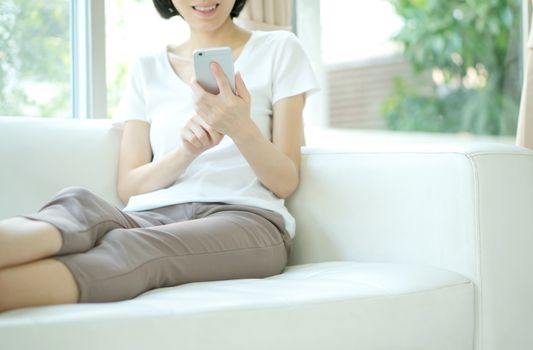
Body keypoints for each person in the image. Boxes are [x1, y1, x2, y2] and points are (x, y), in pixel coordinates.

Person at [0, 0, 318, 312]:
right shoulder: (148, 66)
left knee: (128, 248)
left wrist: (240, 127)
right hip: (153, 215)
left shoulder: (279, 48)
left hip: (247, 220)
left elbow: (285, 181)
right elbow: (129, 186)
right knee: (78, 205)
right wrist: (186, 153)